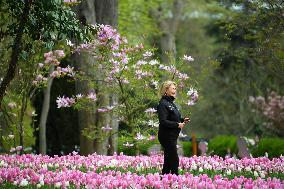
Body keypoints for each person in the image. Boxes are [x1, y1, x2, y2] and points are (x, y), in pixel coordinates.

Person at [157, 80, 189, 175]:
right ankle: (176, 180)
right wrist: (177, 125)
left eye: (175, 88)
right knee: (174, 160)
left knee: (168, 162)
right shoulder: (163, 104)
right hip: (166, 136)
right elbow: (163, 121)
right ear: (166, 90)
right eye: (172, 88)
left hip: (172, 136)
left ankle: (164, 180)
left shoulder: (171, 103)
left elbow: (174, 118)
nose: (175, 90)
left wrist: (182, 120)